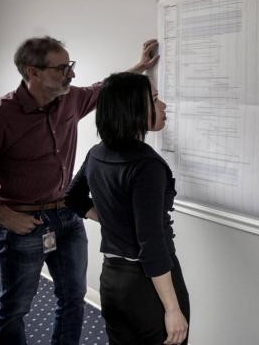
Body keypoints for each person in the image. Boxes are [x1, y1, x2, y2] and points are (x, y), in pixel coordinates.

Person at [0, 36, 159, 344]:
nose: (71, 74)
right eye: (62, 68)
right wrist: (6, 216)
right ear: (32, 72)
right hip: (23, 226)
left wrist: (141, 66)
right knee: (15, 309)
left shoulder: (71, 99)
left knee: (73, 298)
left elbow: (104, 89)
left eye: (70, 65)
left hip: (67, 219)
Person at [65, 72, 189, 345]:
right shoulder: (147, 166)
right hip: (147, 288)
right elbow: (152, 243)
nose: (163, 106)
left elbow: (72, 197)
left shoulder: (97, 152)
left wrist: (111, 220)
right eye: (155, 99)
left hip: (112, 281)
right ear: (132, 109)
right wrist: (172, 308)